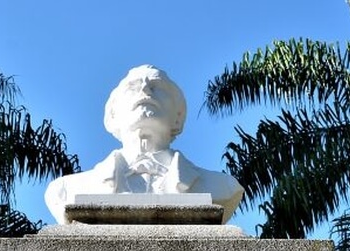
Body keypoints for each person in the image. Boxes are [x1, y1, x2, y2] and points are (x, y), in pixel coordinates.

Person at [44, 65, 244, 224]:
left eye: (158, 87)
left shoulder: (223, 187)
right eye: (133, 87)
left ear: (178, 117)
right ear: (112, 116)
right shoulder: (65, 189)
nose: (145, 90)